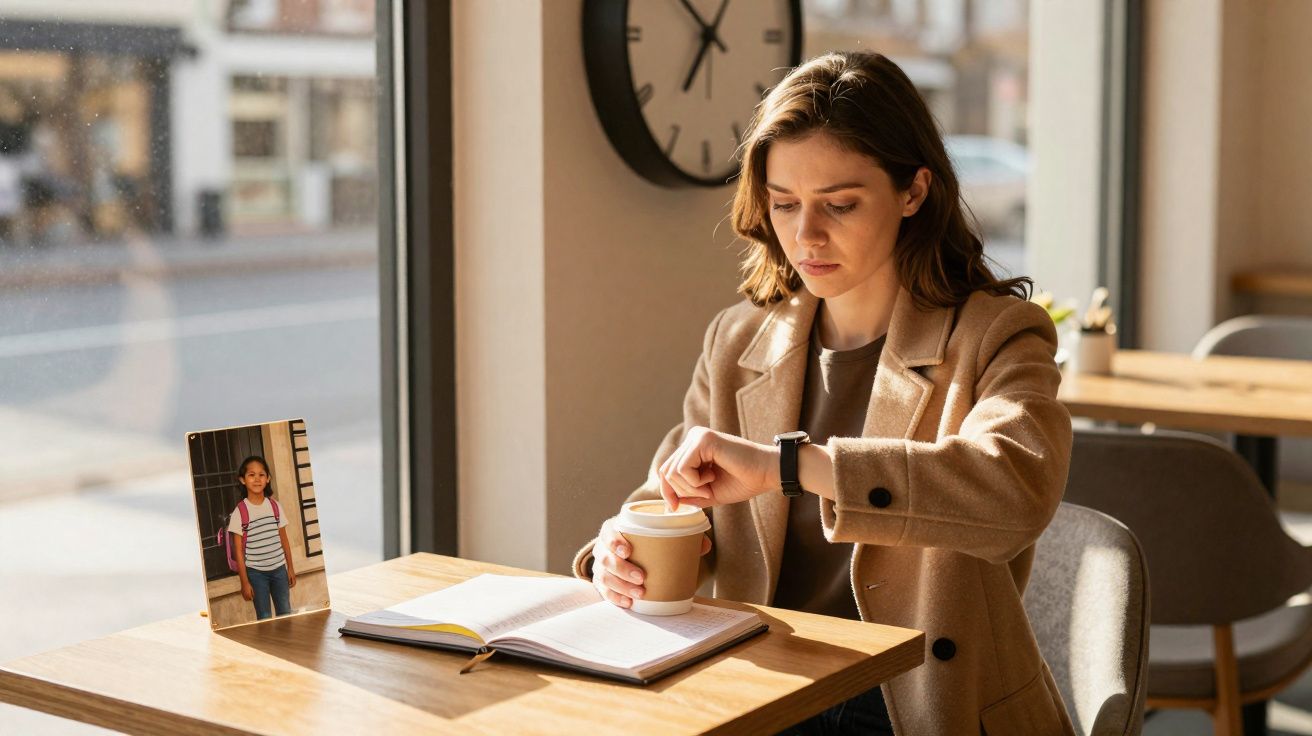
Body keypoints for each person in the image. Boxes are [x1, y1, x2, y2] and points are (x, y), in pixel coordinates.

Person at [572, 52, 1074, 735]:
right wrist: (621, 549)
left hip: (916, 702)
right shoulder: (737, 341)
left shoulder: (996, 334)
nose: (805, 236)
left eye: (839, 205)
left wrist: (790, 466)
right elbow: (670, 497)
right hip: (767, 689)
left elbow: (1015, 490)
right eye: (784, 204)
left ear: (913, 192)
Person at [229, 455, 297, 620]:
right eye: (251, 475)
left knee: (285, 614)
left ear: (268, 479)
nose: (257, 479)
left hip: (279, 570)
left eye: (261, 474)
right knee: (264, 617)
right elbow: (238, 551)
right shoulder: (240, 512)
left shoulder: (275, 506)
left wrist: (290, 568)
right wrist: (244, 582)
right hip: (256, 574)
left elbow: (284, 540)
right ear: (243, 480)